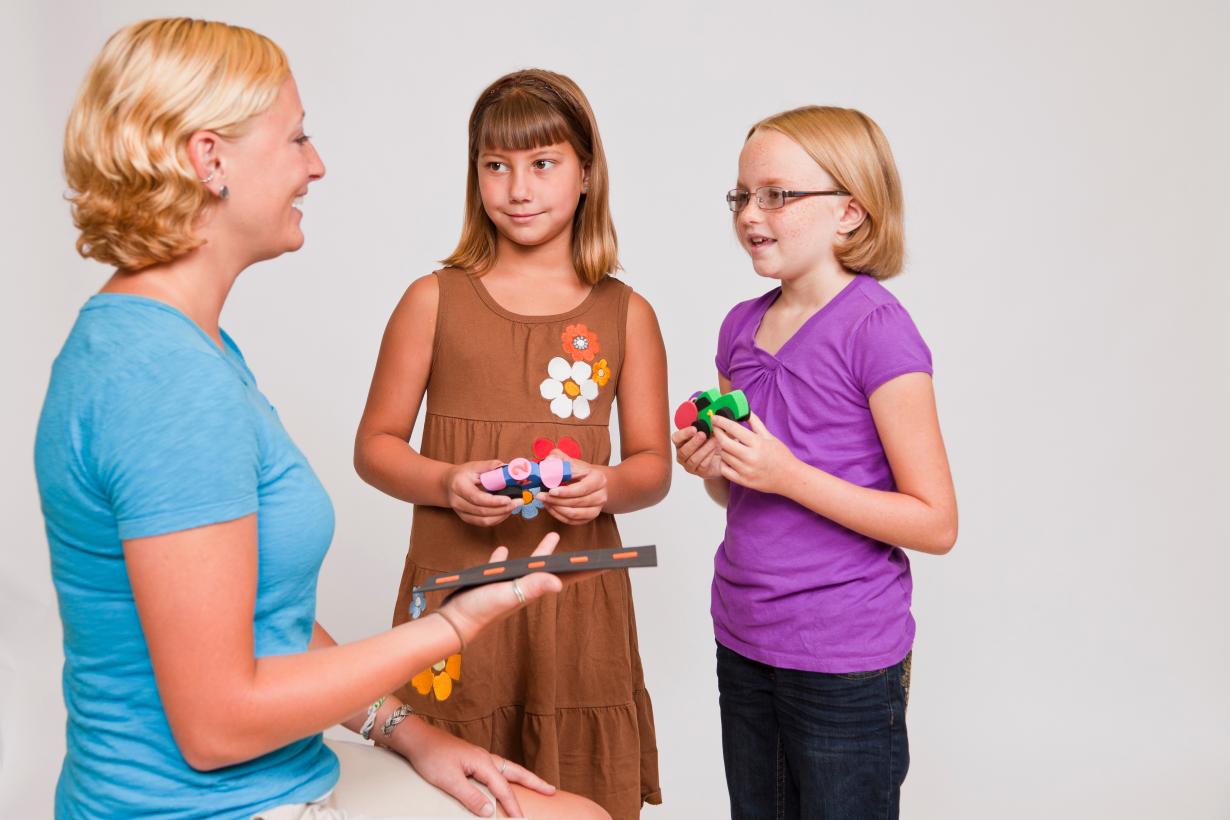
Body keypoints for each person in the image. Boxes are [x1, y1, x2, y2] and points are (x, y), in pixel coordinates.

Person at [35, 18, 605, 819]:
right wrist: (454, 626)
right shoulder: (165, 381)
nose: (316, 165)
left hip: (280, 777)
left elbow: (255, 616)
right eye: (296, 138)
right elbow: (218, 724)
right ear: (210, 161)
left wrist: (409, 732)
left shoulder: (172, 345)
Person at [354, 69, 670, 819]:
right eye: (495, 166)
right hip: (456, 587)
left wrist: (608, 486)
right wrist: (444, 483)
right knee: (454, 784)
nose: (517, 188)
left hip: (576, 598)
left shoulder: (628, 313)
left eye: (542, 164)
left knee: (573, 796)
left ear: (587, 172)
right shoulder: (432, 299)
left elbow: (653, 466)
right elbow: (374, 445)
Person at [671, 105, 959, 819]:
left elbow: (935, 522)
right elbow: (739, 494)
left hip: (846, 656)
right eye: (742, 195)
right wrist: (714, 464)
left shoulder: (877, 330)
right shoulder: (739, 326)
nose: (750, 214)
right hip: (742, 634)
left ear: (850, 213)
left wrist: (786, 474)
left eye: (778, 194)